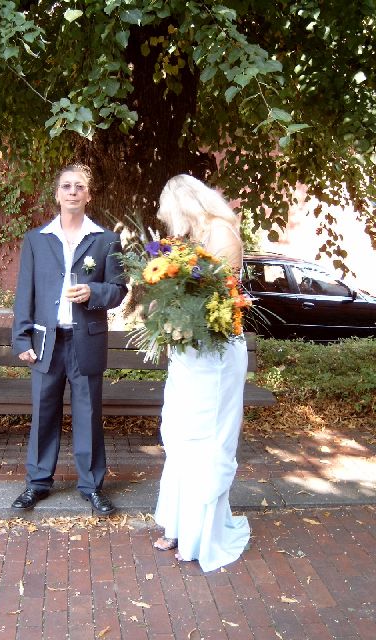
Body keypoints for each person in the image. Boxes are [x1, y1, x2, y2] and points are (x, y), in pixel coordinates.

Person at [11, 163, 127, 515]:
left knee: (88, 414)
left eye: (79, 186)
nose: (73, 191)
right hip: (46, 342)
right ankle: (37, 483)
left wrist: (93, 292)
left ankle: (92, 486)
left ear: (88, 195)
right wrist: (22, 338)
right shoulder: (36, 239)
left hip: (86, 341)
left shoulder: (106, 239)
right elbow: (25, 292)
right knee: (43, 412)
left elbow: (119, 290)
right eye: (66, 186)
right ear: (57, 194)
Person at [152, 174, 250, 572]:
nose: (166, 220)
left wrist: (179, 310)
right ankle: (178, 524)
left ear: (183, 204)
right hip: (189, 356)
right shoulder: (187, 241)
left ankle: (201, 534)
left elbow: (219, 300)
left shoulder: (223, 234)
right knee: (178, 434)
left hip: (216, 355)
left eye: (168, 211)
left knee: (206, 438)